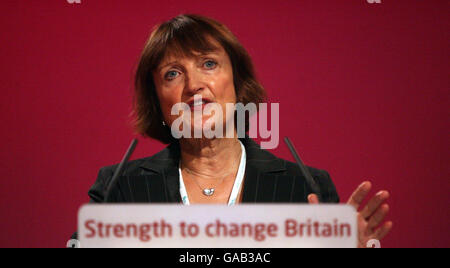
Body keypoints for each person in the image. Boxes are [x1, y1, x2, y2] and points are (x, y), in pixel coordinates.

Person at [71, 14, 392, 247]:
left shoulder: (306, 187)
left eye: (208, 63)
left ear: (238, 84)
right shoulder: (120, 190)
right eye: (172, 73)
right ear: (158, 101)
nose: (194, 85)